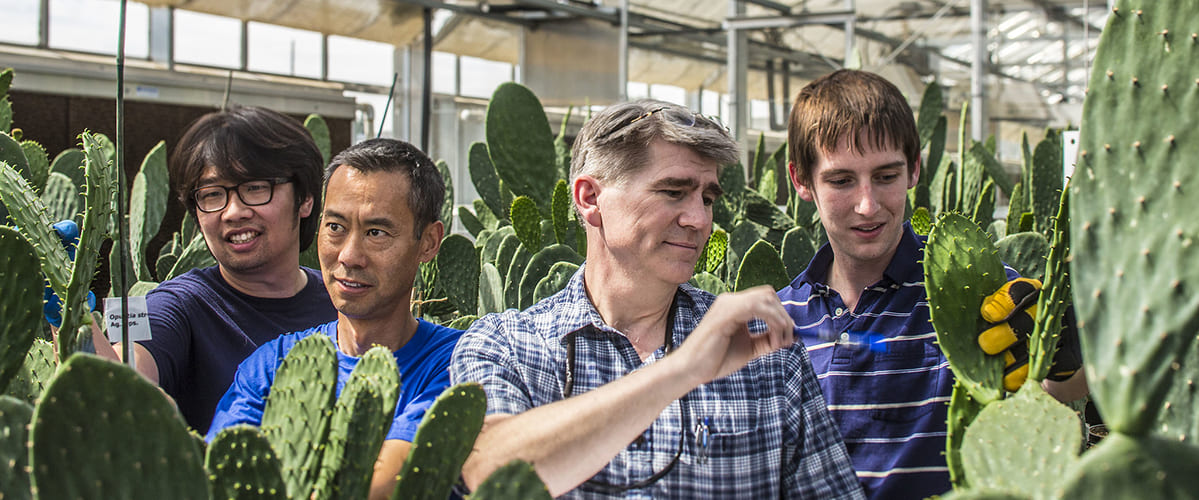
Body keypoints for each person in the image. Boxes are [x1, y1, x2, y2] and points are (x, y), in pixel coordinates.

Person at [451, 99, 863, 498]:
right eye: (672, 192)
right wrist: (681, 370)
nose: (699, 220)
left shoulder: (764, 354)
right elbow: (491, 471)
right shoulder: (508, 347)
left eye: (707, 198)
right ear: (590, 199)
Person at [777, 69, 1087, 499]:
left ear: (915, 169)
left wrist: (1065, 352)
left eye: (886, 176)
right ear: (801, 180)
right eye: (842, 180)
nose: (867, 205)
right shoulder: (778, 319)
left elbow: (1058, 389)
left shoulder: (972, 288)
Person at [207, 138, 461, 499]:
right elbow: (220, 478)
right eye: (335, 227)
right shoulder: (271, 366)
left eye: (376, 232)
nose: (349, 255)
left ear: (429, 242)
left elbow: (381, 487)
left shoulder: (459, 363)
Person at [94, 106, 337, 434]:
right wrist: (71, 317)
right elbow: (124, 377)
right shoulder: (178, 304)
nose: (233, 212)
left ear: (305, 198)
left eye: (254, 188)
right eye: (212, 195)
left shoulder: (343, 301)